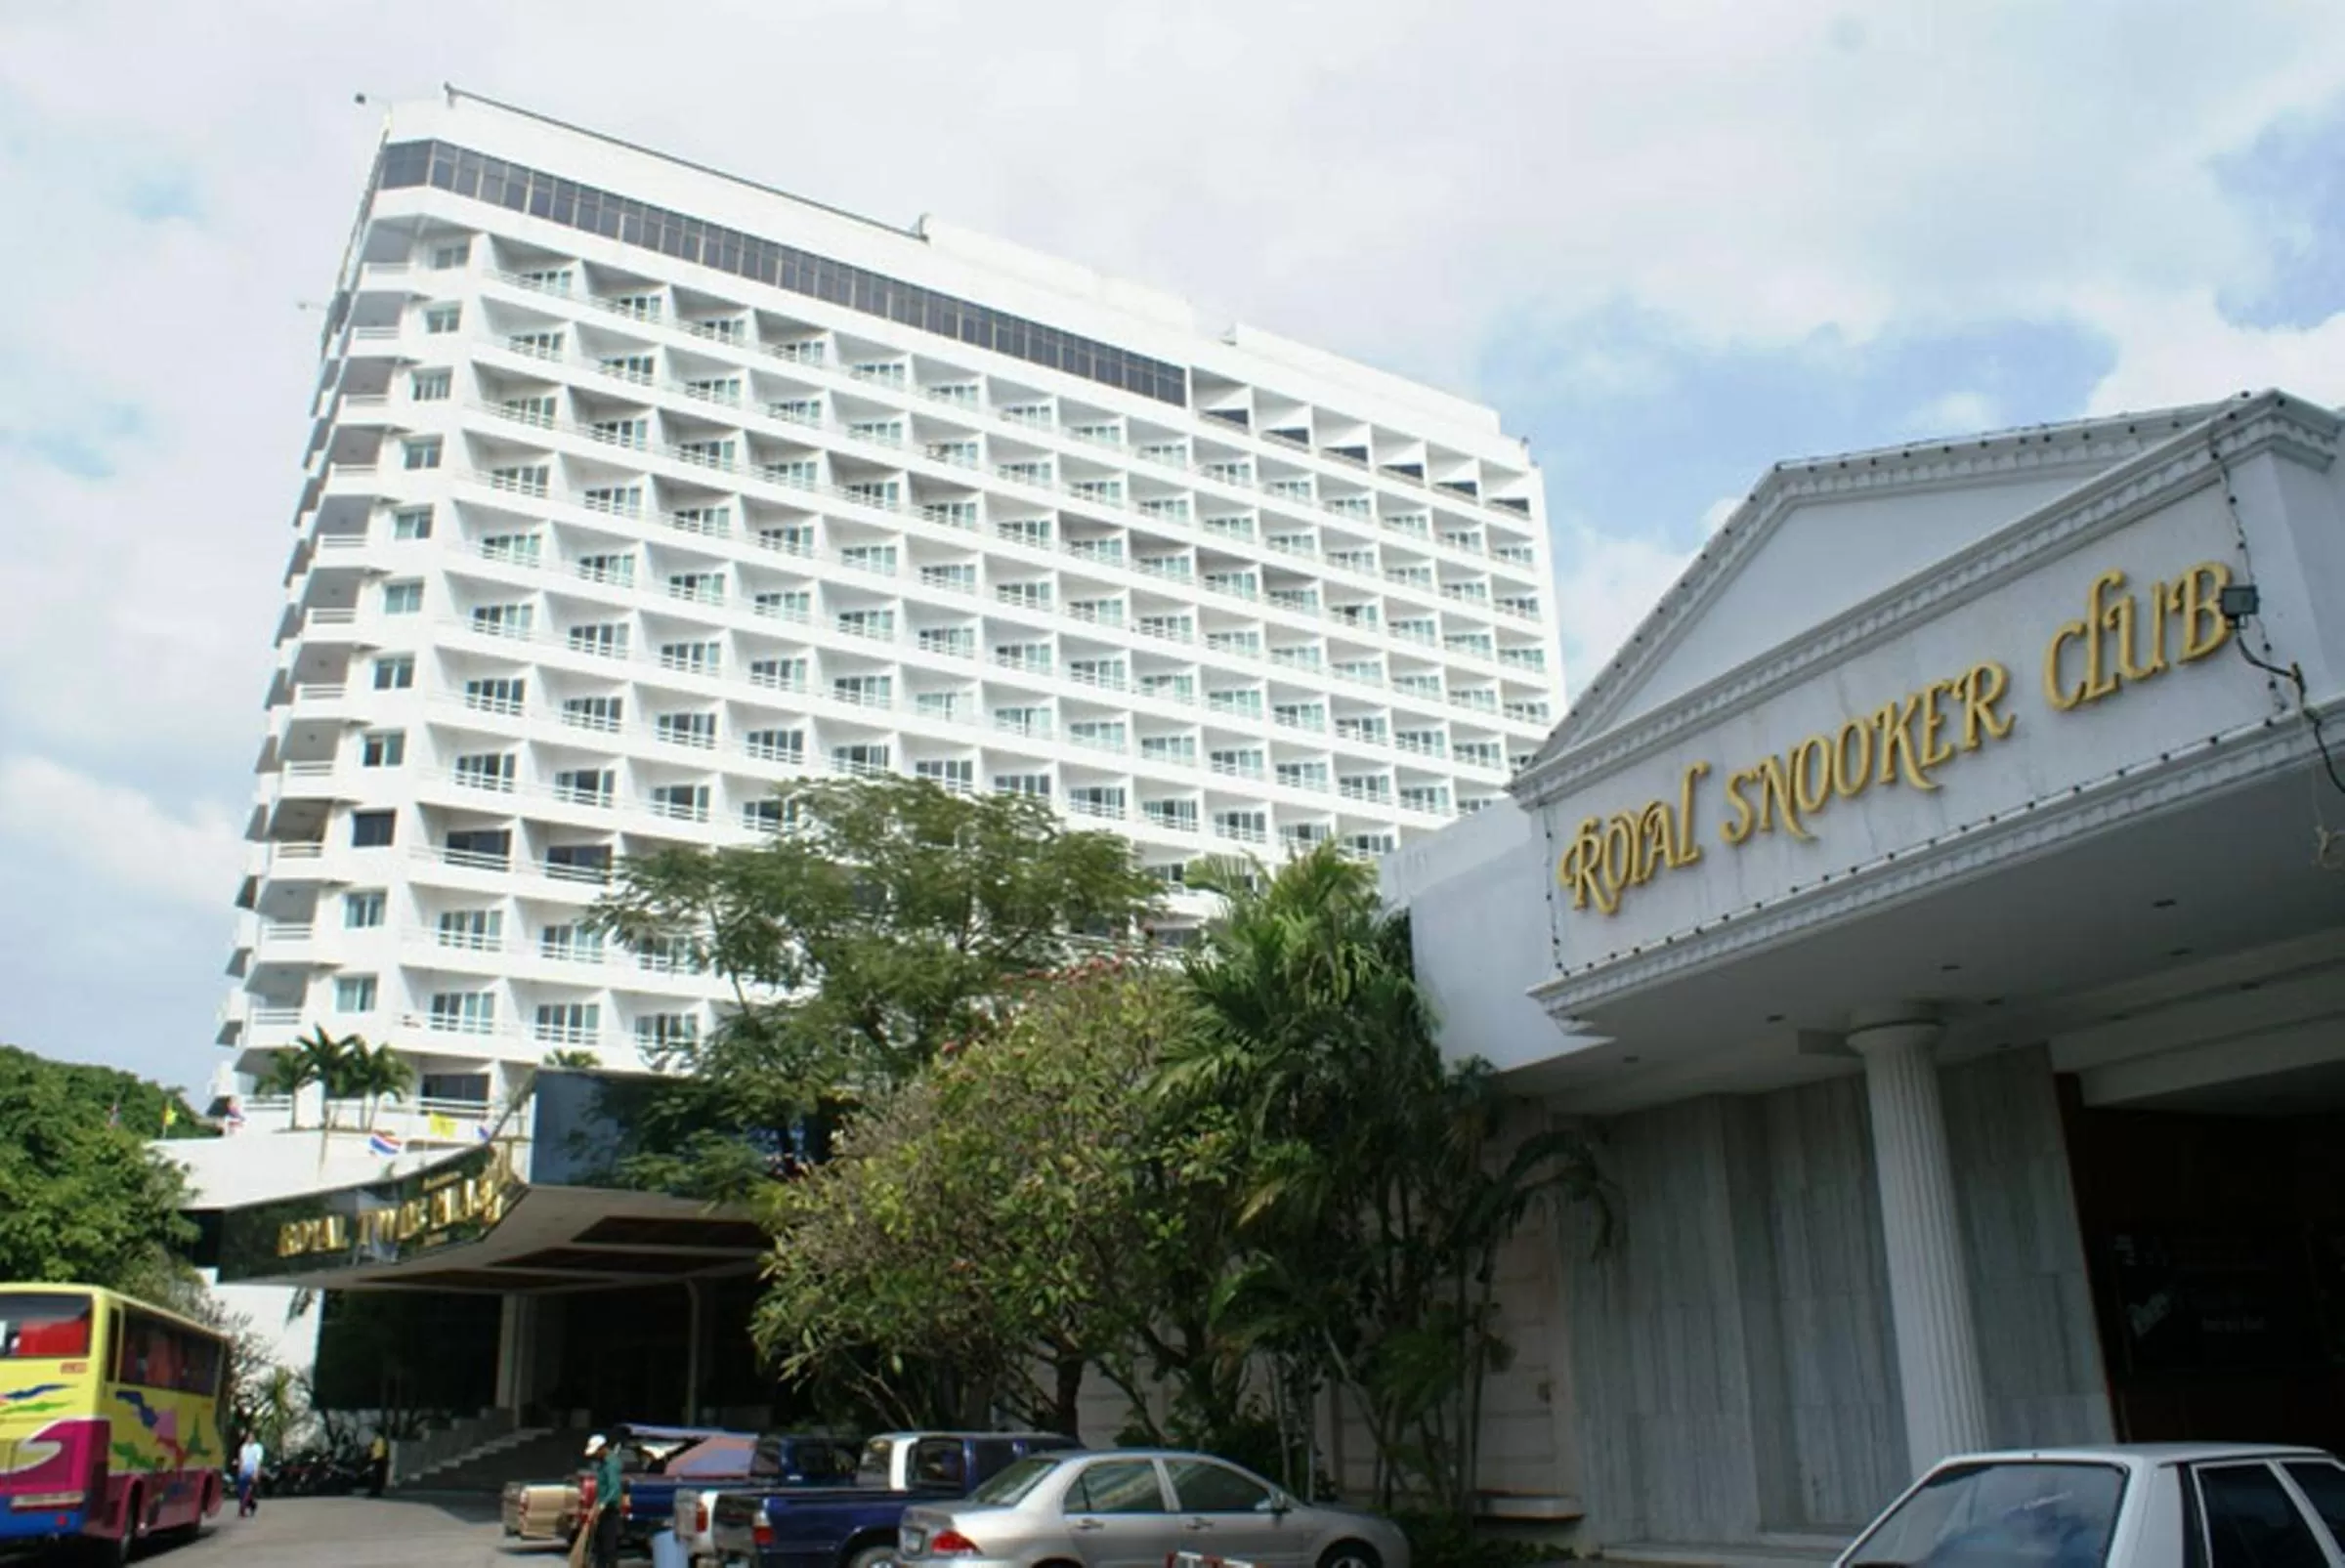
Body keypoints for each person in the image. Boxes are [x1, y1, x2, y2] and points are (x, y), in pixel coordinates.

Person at [587, 1435, 626, 1568]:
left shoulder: (611, 1464)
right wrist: (596, 1505)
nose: (595, 1455)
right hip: (602, 1507)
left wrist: (603, 1504)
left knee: (608, 1547)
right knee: (600, 1547)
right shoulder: (603, 1463)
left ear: (602, 1448)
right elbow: (602, 1488)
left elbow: (614, 1488)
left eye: (596, 1452)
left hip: (610, 1510)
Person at [236, 1433, 265, 1518]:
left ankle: (242, 1509)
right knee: (241, 1491)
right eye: (249, 1438)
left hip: (253, 1470)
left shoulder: (258, 1447)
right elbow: (241, 1459)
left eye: (252, 1437)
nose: (250, 1439)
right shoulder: (243, 1447)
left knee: (248, 1491)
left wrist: (256, 1473)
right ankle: (252, 1504)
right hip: (244, 1471)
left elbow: (258, 1461)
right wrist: (240, 1469)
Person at [367, 1431, 389, 1497]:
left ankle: (373, 1491)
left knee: (374, 1476)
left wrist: (369, 1457)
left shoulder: (375, 1440)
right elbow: (386, 1450)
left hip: (375, 1460)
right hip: (381, 1460)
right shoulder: (383, 1440)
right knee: (379, 1476)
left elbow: (370, 1448)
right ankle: (377, 1491)